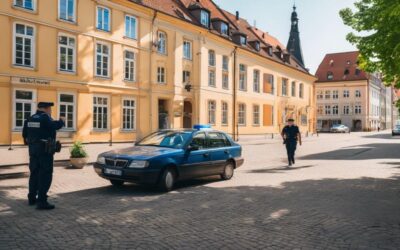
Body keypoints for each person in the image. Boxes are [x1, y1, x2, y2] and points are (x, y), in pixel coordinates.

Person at [22, 102, 65, 210]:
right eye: (50, 109)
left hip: (33, 150)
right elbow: (55, 126)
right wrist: (61, 121)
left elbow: (24, 134)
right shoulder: (45, 118)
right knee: (45, 174)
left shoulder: (30, 118)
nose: (50, 111)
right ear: (46, 108)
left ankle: (32, 198)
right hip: (44, 151)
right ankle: (42, 201)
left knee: (34, 173)